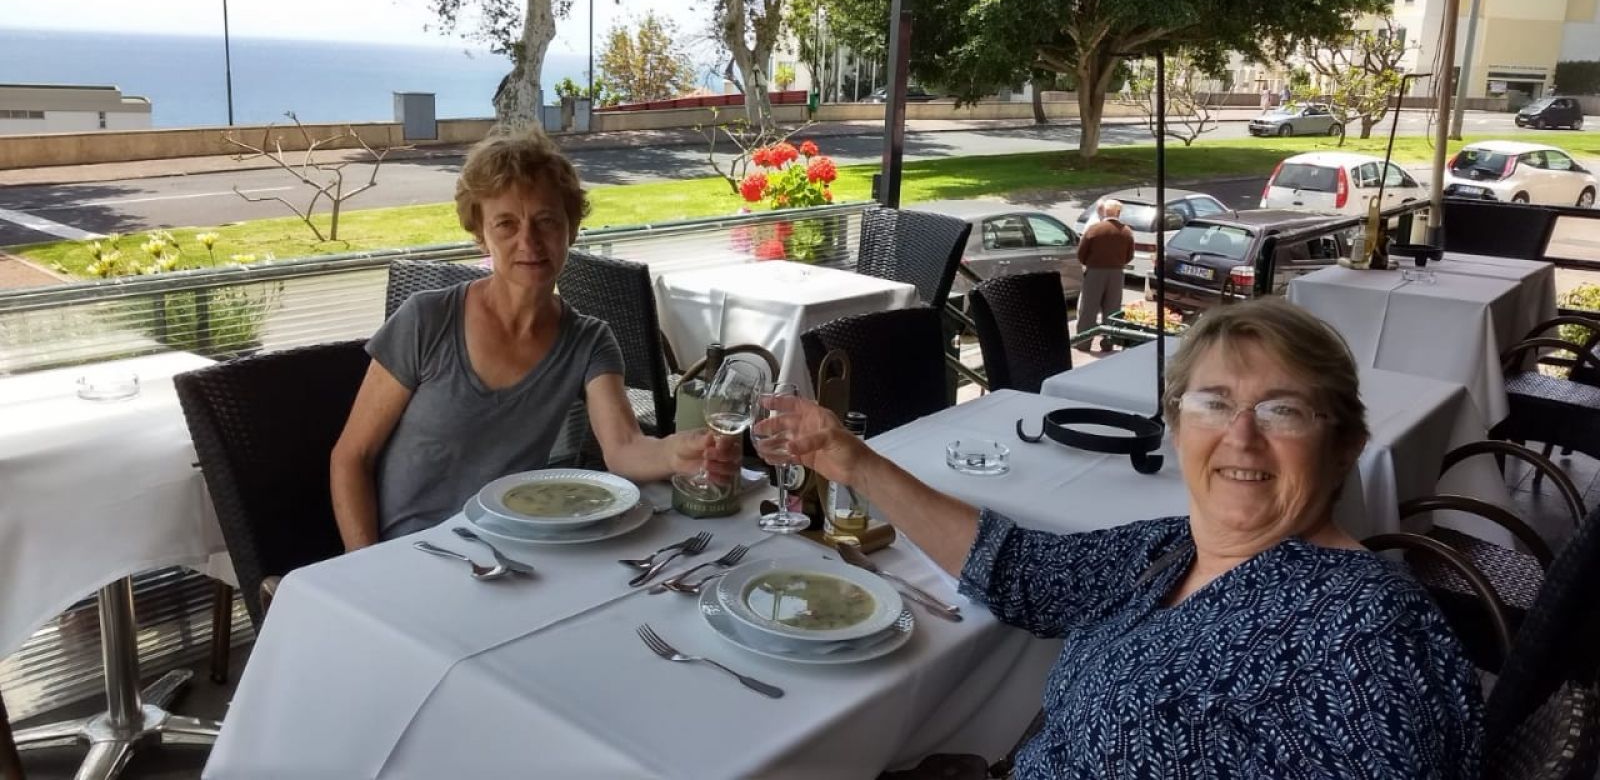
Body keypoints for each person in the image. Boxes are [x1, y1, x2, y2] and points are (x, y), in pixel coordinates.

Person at [758, 298, 1482, 778]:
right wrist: (852, 461)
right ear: (1177, 427)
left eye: (1282, 410)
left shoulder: (1369, 632)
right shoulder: (1172, 551)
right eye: (1214, 403)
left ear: (1345, 445)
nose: (1241, 437)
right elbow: (1019, 571)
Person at [330, 129, 738, 547]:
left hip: (511, 550)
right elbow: (351, 457)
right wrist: (362, 563)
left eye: (546, 221)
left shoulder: (588, 341)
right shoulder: (426, 320)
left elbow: (624, 448)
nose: (529, 241)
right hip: (406, 552)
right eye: (506, 224)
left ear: (570, 230)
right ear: (480, 235)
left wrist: (676, 452)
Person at [1075, 198, 1134, 352]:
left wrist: (1090, 263)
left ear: (1105, 212)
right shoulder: (1126, 232)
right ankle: (1108, 343)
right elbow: (1130, 255)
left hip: (1095, 272)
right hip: (1116, 274)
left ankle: (1083, 343)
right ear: (1118, 213)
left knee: (1089, 309)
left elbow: (1081, 253)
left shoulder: (1094, 230)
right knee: (1112, 310)